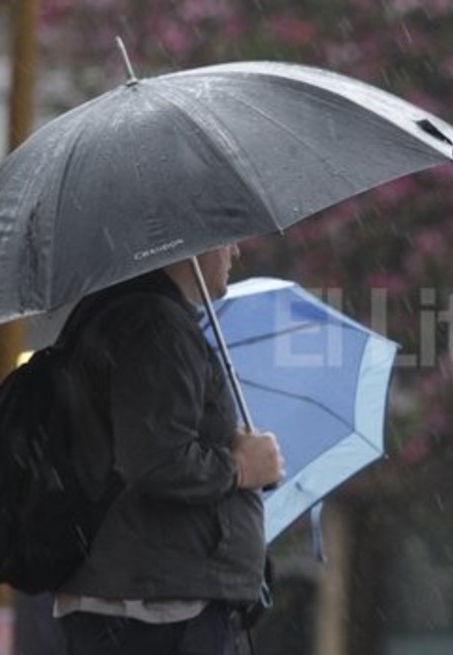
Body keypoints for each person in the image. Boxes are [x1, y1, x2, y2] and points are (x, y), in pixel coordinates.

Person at [52, 244, 285, 655]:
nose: (235, 250)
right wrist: (239, 467)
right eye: (226, 238)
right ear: (191, 247)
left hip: (149, 606)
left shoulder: (140, 317)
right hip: (154, 615)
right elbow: (157, 461)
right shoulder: (156, 325)